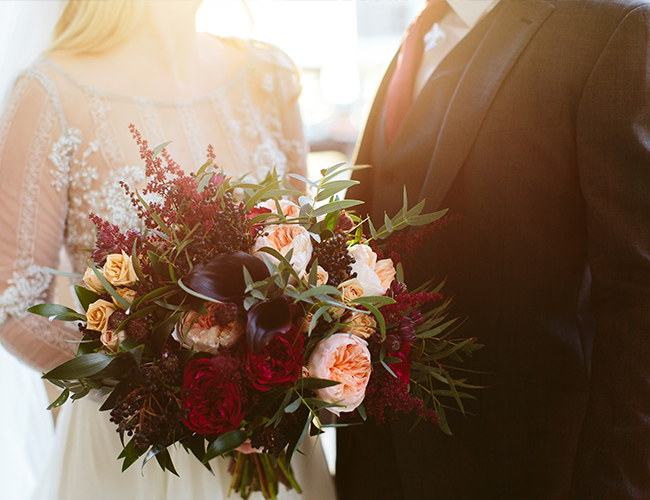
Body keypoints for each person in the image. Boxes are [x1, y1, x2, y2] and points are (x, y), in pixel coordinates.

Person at [0, 1, 334, 499]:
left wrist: (284, 375)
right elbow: (13, 304)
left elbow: (304, 258)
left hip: (273, 448)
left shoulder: (268, 75)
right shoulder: (53, 92)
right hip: (139, 456)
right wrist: (162, 383)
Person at [337, 0, 650, 499]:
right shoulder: (420, 34)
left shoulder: (610, 26)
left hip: (526, 468)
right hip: (374, 467)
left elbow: (638, 295)